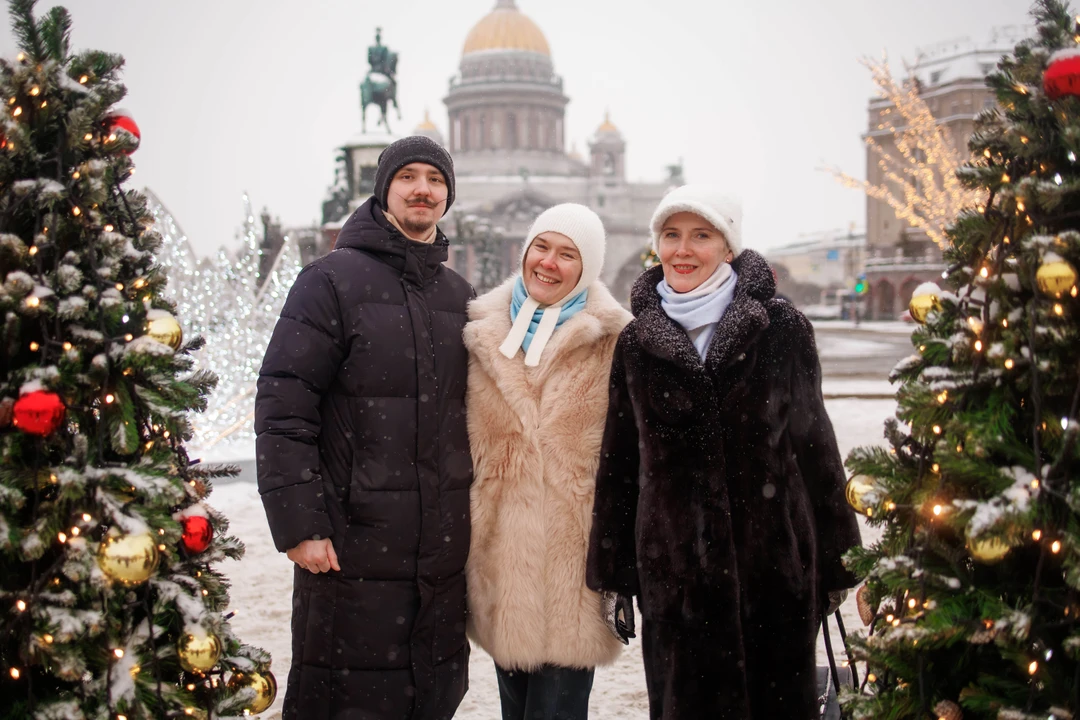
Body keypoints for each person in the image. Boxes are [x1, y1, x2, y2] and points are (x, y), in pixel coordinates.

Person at [585, 185, 862, 719]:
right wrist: (616, 572)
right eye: (671, 235)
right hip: (677, 578)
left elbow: (816, 446)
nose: (682, 250)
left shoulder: (782, 328)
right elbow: (619, 463)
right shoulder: (638, 341)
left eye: (701, 235)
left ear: (729, 247)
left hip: (774, 570)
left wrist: (836, 562)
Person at [255, 135, 475, 720]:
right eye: (408, 177)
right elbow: (284, 404)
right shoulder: (329, 281)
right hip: (353, 545)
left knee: (432, 695)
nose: (422, 189)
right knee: (347, 699)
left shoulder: (462, 296)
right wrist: (300, 524)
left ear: (447, 194)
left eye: (435, 178)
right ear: (384, 189)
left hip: (440, 551)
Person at [464, 204, 634, 720]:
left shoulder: (615, 341)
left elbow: (632, 459)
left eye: (568, 254)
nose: (549, 263)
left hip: (574, 574)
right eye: (542, 247)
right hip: (501, 569)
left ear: (588, 268)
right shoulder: (479, 334)